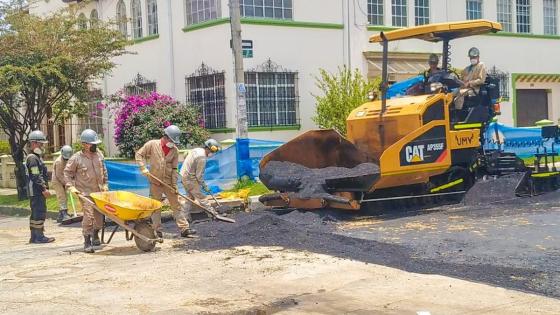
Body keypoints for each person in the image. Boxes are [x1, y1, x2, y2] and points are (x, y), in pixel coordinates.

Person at [136, 125, 194, 238]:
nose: (173, 143)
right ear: (166, 137)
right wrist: (142, 167)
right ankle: (157, 230)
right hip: (155, 181)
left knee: (176, 205)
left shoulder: (175, 151)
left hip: (168, 182)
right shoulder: (152, 144)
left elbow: (174, 169)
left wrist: (174, 185)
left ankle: (184, 229)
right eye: (172, 140)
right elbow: (139, 154)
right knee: (156, 206)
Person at [64, 129, 108, 253]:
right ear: (85, 144)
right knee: (89, 216)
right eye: (92, 144)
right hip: (85, 192)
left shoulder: (99, 155)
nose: (95, 146)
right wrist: (70, 186)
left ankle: (95, 235)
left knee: (99, 217)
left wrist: (105, 184)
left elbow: (104, 170)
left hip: (99, 191)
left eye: (96, 144)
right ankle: (87, 241)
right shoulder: (76, 158)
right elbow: (67, 173)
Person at [26, 130, 55, 244]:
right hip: (37, 191)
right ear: (33, 143)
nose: (42, 146)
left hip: (36, 190)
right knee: (39, 212)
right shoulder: (33, 158)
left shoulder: (36, 157)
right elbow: (36, 175)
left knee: (35, 213)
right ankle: (39, 236)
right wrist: (44, 189)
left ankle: (34, 236)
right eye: (40, 144)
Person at [180, 139, 221, 218]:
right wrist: (204, 186)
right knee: (201, 197)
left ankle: (183, 217)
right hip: (190, 179)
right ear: (209, 148)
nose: (212, 153)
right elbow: (199, 176)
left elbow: (186, 156)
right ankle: (213, 214)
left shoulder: (197, 149)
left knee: (189, 198)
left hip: (183, 176)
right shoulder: (202, 158)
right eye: (212, 151)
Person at [53, 145, 73, 223]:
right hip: (57, 181)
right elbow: (59, 175)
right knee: (61, 196)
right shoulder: (59, 162)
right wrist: (66, 183)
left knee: (65, 197)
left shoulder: (69, 159)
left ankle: (60, 216)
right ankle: (64, 214)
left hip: (64, 179)